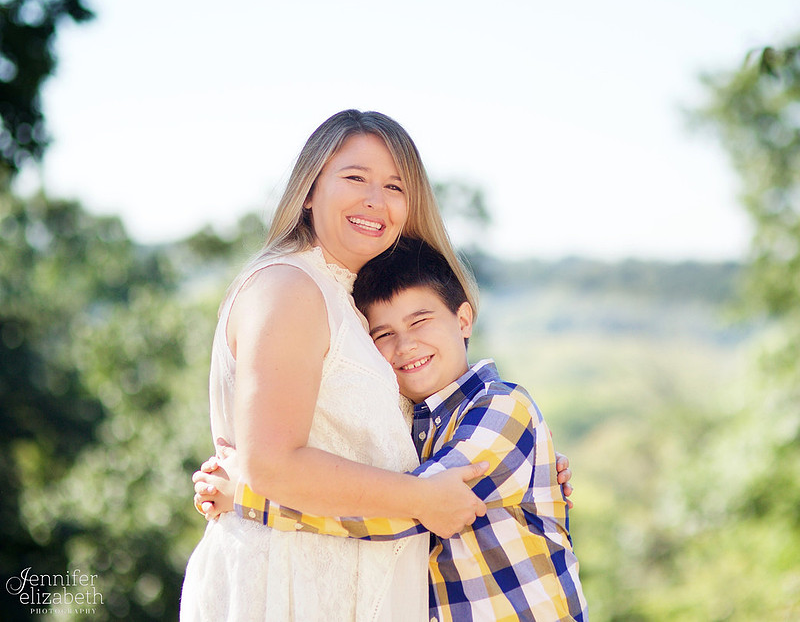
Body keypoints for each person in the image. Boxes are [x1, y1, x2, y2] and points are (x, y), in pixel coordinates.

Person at [179, 110, 492, 622]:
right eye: (355, 178)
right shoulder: (290, 287)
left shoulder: (355, 302)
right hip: (288, 589)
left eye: (395, 186)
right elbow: (272, 465)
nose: (375, 199)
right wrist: (420, 498)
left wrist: (525, 457)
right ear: (309, 190)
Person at [196, 238, 588, 621]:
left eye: (420, 321)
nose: (405, 345)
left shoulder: (502, 408)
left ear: (463, 320)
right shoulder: (407, 426)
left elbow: (402, 511)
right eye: (383, 334)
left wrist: (249, 495)